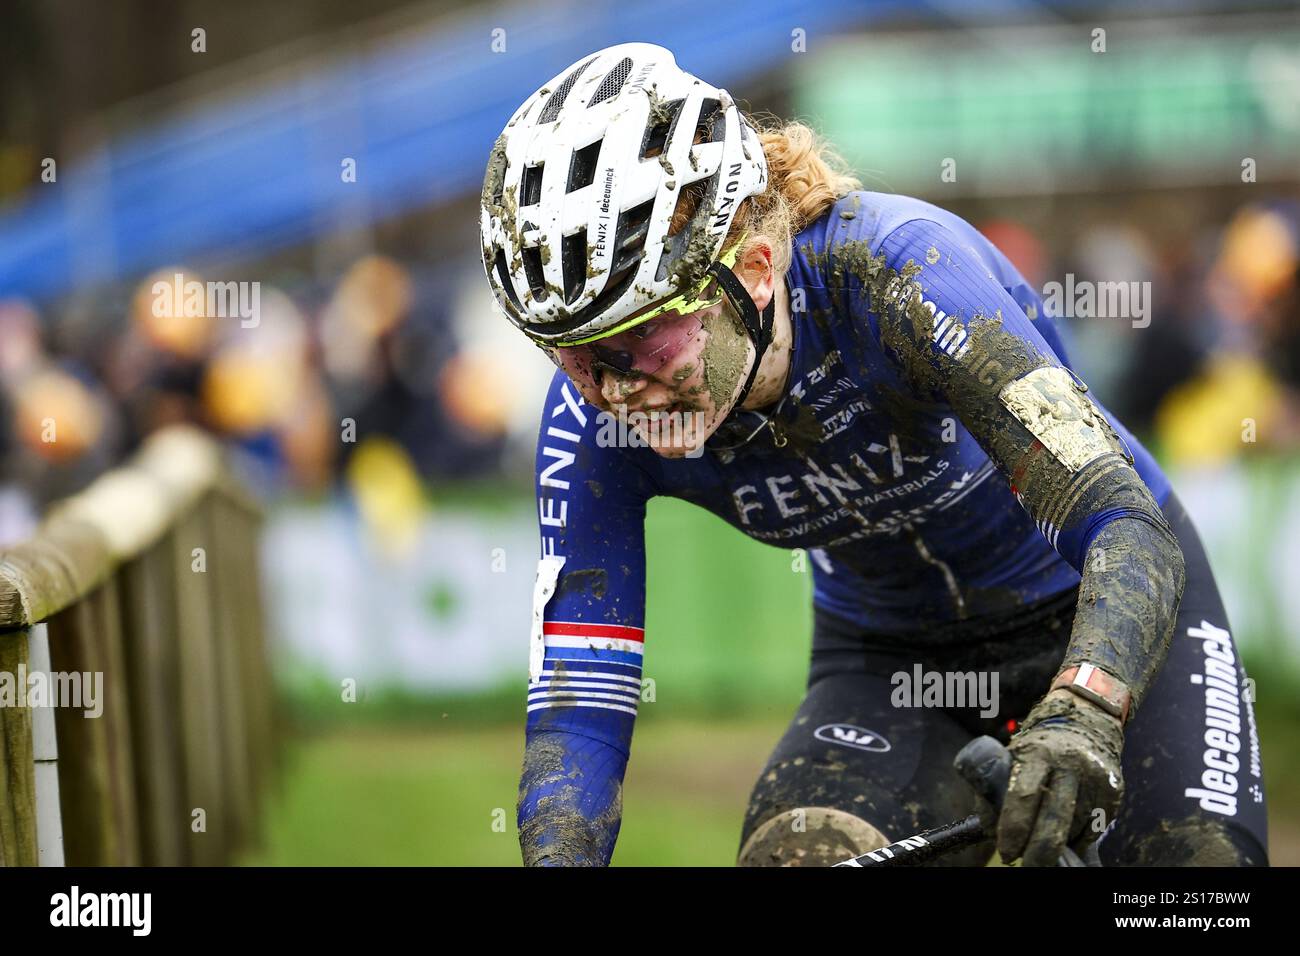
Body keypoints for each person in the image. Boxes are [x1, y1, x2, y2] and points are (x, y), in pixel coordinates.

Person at [479, 42, 1268, 867]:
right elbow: (578, 706)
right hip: (893, 658)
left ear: (753, 269)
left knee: (1192, 880)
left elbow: (1122, 521)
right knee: (804, 855)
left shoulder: (898, 272)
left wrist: (1088, 706)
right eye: (571, 351)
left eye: (641, 338)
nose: (612, 389)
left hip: (1100, 603)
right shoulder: (592, 418)